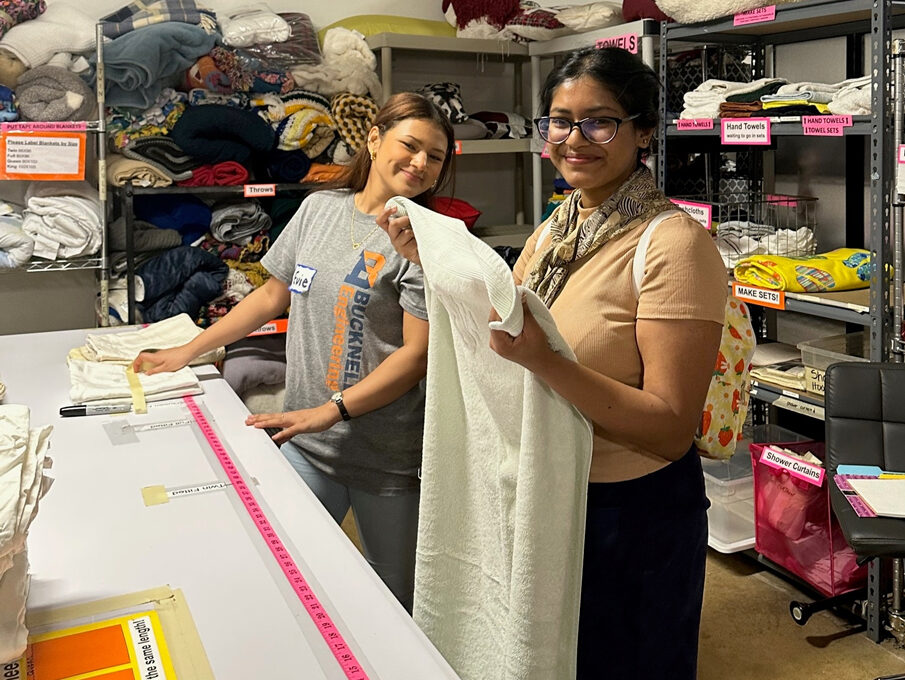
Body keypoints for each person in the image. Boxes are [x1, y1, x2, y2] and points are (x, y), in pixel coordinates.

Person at [380, 47, 727, 678]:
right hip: (551, 494)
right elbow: (506, 324)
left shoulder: (673, 245)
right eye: (559, 121)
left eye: (599, 121)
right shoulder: (558, 227)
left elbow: (671, 427)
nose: (574, 139)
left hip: (630, 515)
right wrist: (435, 261)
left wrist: (549, 365)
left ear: (644, 130)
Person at [133, 92, 456, 612]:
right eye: (411, 146)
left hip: (384, 457)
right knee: (289, 574)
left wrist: (328, 412)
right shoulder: (318, 210)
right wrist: (188, 350)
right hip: (307, 445)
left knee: (395, 598)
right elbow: (269, 295)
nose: (420, 163)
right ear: (374, 139)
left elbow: (415, 356)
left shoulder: (424, 243)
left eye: (435, 157)